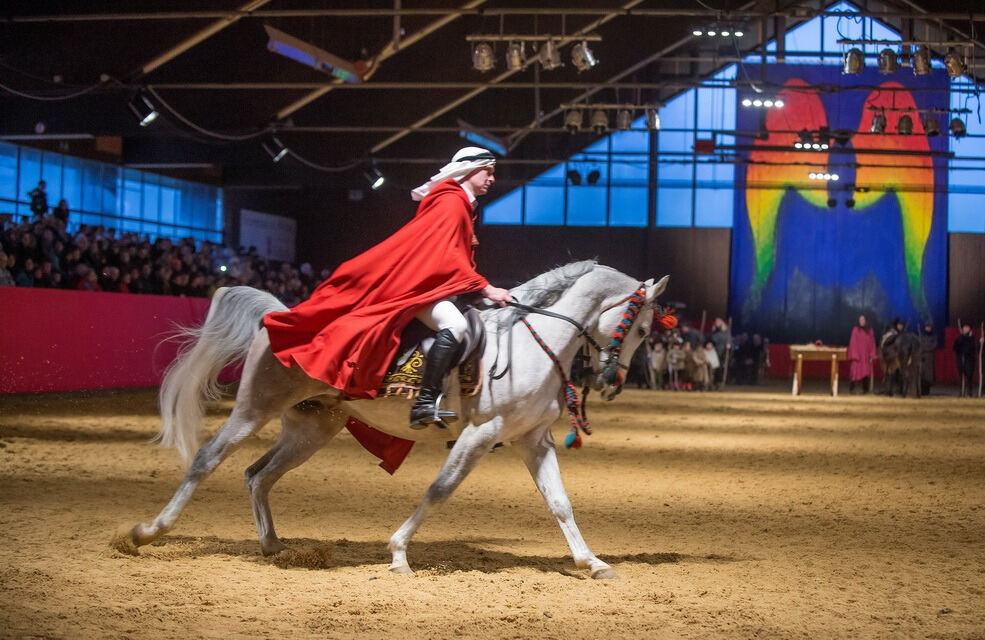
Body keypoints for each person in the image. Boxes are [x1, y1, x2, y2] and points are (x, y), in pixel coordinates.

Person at [263, 147, 511, 428]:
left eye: (493, 173)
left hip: (437, 286)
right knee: (455, 325)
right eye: (487, 171)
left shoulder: (463, 206)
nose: (492, 178)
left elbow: (457, 258)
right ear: (468, 170)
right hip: (420, 288)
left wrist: (476, 289)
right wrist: (487, 288)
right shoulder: (452, 203)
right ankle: (424, 403)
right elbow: (449, 258)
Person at [847, 314, 877, 394]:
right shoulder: (855, 330)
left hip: (866, 357)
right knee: (854, 372)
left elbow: (872, 343)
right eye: (860, 320)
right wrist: (855, 355)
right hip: (858, 356)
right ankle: (851, 389)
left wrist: (872, 354)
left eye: (863, 320)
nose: (862, 321)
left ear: (866, 321)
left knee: (866, 373)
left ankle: (865, 390)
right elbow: (852, 342)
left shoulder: (870, 331)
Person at [953, 323, 977, 397]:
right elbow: (955, 347)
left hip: (969, 360)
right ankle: (961, 392)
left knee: (969, 376)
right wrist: (960, 338)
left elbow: (972, 348)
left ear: (970, 329)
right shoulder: (959, 337)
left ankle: (969, 392)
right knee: (961, 376)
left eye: (967, 327)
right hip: (961, 359)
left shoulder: (972, 338)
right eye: (964, 327)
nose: (966, 329)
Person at [918, 322, 936, 396]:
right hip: (922, 357)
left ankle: (927, 390)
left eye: (929, 327)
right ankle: (921, 390)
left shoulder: (934, 336)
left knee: (928, 375)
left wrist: (926, 348)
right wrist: (923, 349)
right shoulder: (921, 336)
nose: (928, 328)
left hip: (929, 357)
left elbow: (934, 345)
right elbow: (919, 344)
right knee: (922, 374)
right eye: (926, 327)